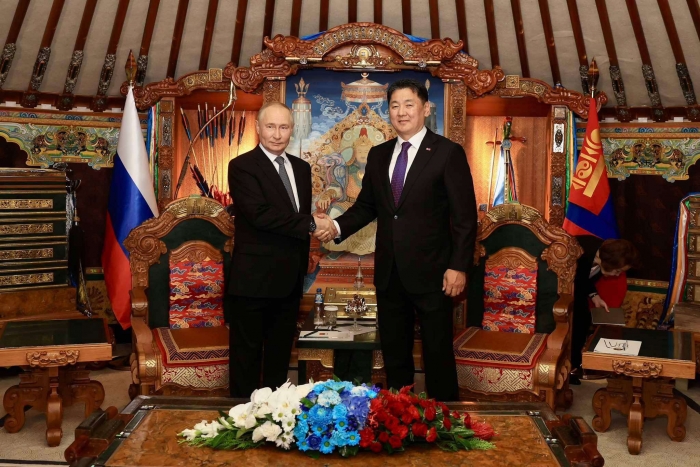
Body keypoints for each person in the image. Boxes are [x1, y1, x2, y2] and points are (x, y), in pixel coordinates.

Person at [315, 79, 477, 401]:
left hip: (434, 273)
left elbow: (464, 218)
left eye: (409, 105)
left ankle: (445, 418)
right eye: (394, 106)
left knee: (437, 354)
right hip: (390, 274)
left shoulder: (447, 153)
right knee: (395, 355)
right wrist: (335, 226)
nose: (401, 112)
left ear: (425, 109)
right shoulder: (379, 155)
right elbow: (366, 207)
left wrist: (458, 266)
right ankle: (398, 416)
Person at [227, 102, 334, 397]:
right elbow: (259, 215)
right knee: (246, 359)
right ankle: (242, 416)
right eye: (271, 127)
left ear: (292, 129)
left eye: (284, 127)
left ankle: (277, 416)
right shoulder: (242, 166)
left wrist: (314, 222)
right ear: (258, 128)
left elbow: (296, 216)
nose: (277, 134)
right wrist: (311, 223)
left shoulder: (300, 168)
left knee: (279, 357)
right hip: (253, 280)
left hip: (289, 279)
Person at [570, 236, 640, 384]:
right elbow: (575, 277)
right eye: (618, 271)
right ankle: (566, 369)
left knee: (582, 320)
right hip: (558, 293)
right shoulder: (579, 251)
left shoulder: (602, 257)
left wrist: (595, 296)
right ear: (609, 263)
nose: (618, 275)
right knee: (575, 322)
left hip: (577, 292)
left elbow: (583, 279)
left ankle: (573, 367)